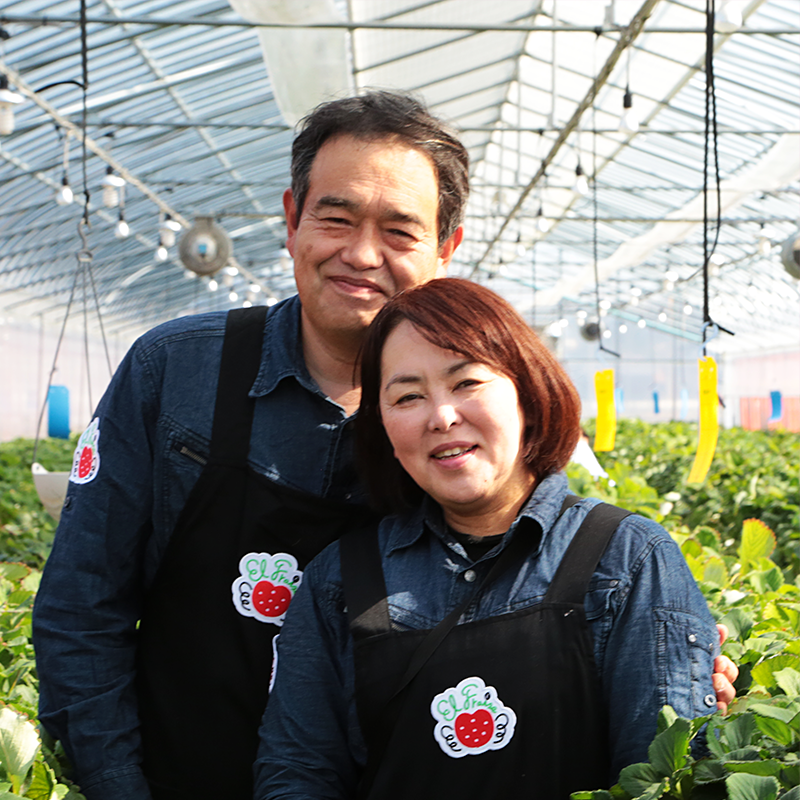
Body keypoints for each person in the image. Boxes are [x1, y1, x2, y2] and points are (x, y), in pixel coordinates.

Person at [32, 91, 735, 800]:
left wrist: (666, 651)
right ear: (291, 219)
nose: (361, 254)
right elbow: (81, 604)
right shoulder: (177, 371)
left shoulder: (491, 432)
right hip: (178, 777)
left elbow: (594, 577)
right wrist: (119, 786)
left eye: (400, 230)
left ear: (446, 248)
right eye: (335, 218)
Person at [255, 278, 727, 800]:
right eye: (407, 396)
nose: (441, 416)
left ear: (528, 391)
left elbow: (665, 777)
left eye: (467, 383)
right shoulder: (340, 577)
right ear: (384, 428)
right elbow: (297, 773)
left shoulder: (627, 558)